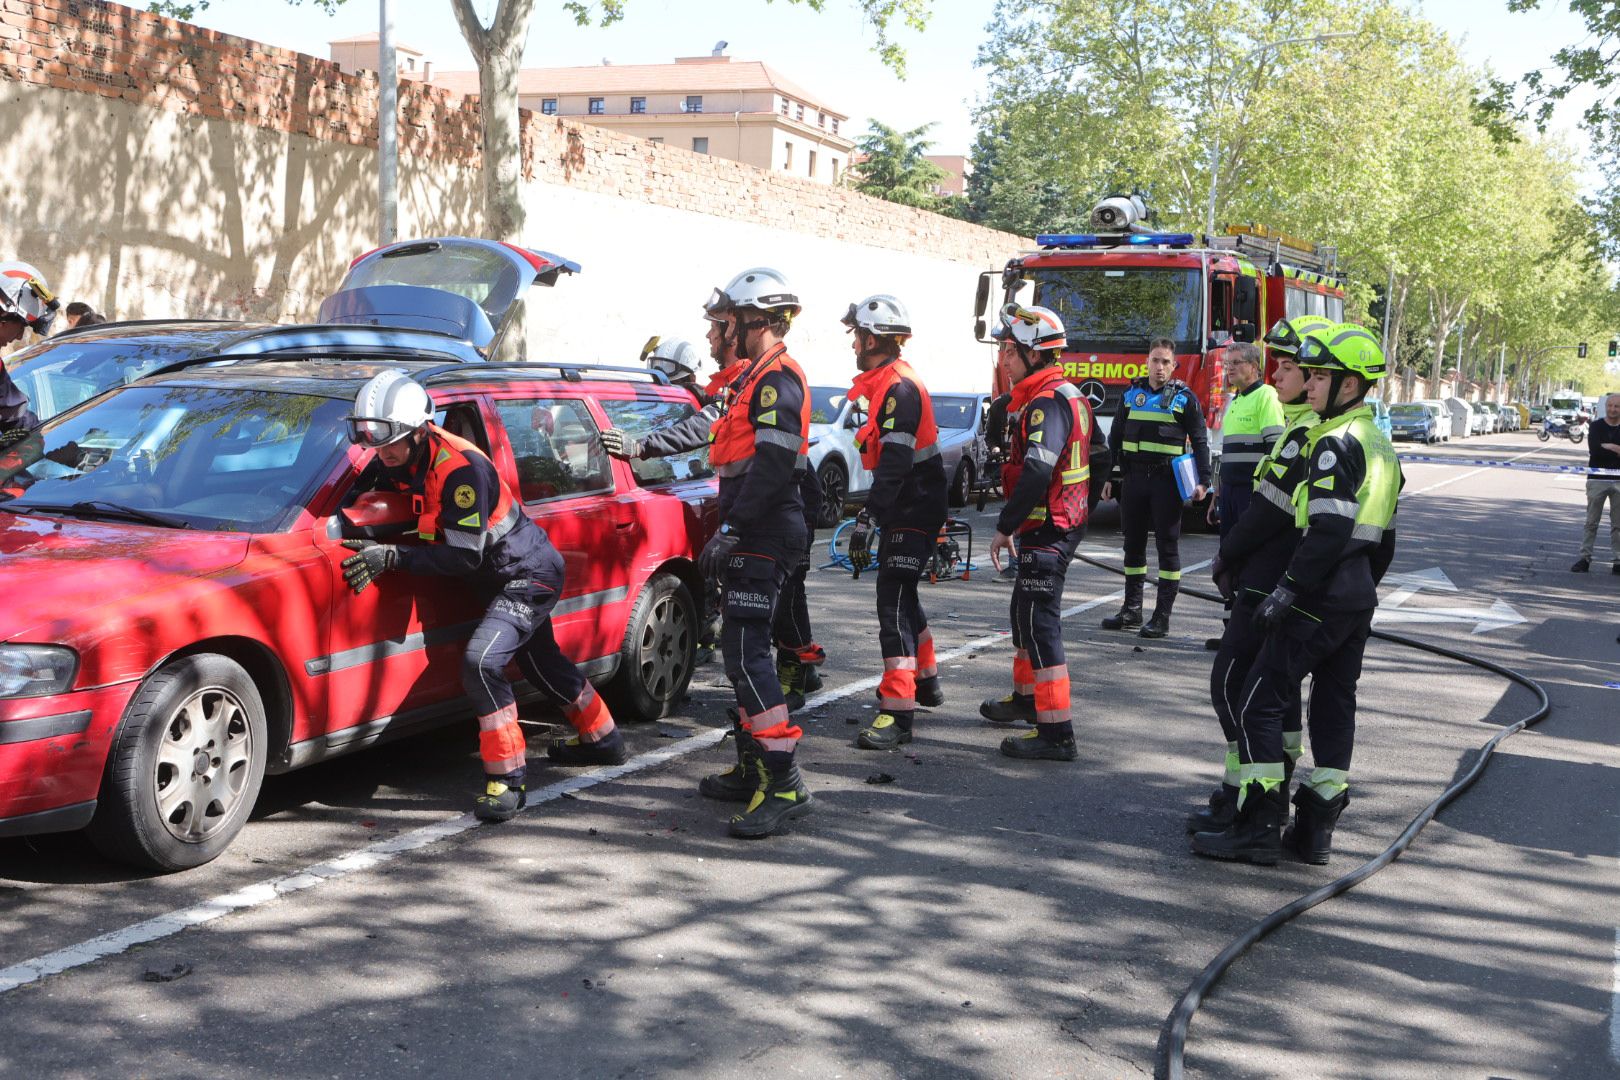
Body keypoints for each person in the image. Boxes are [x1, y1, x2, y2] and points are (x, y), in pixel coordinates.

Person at [339, 369, 625, 824]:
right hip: (504, 574)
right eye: (375, 442)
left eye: (391, 442)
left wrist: (393, 557)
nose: (383, 453)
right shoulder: (400, 456)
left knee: (482, 662)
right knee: (542, 662)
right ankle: (603, 738)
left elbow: (462, 559)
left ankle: (507, 781)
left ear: (420, 431)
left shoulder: (460, 470)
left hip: (525, 574)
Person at [1193, 323, 1403, 866]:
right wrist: (1361, 590)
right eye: (1305, 373)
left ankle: (1259, 825)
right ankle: (1314, 832)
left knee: (1257, 701)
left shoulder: (1333, 442)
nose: (1309, 385)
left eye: (1320, 377)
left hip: (1316, 593)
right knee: (1334, 708)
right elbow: (1385, 537)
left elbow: (1328, 529)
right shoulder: (1378, 441)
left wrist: (1288, 590)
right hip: (1354, 596)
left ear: (1351, 386)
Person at [1189, 316, 1328, 834]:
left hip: (1271, 577)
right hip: (1264, 572)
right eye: (1290, 369)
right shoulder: (1295, 422)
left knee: (1235, 689)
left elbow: (1273, 508)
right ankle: (1244, 799)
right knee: (1267, 696)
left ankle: (1258, 811)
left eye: (1294, 369)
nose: (1288, 378)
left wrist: (1230, 555)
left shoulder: (1307, 431)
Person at [692, 267, 816, 838]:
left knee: (746, 655)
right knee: (741, 652)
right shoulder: (759, 378)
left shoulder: (777, 381)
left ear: (756, 323)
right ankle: (752, 766)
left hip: (764, 533)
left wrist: (733, 528)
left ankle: (784, 782)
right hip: (757, 531)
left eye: (731, 322)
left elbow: (772, 466)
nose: (725, 332)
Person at [977, 303, 1093, 761]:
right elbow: (1095, 456)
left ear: (1032, 353)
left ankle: (1056, 731)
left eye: (1008, 350)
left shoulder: (1047, 402)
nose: (1003, 359)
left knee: (1040, 624)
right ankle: (1027, 700)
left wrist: (1005, 527)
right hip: (1053, 521)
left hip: (1048, 526)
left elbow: (1038, 470)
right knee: (1022, 613)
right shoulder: (1062, 394)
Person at [842, 294, 949, 750]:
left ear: (873, 338)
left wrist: (868, 517)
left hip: (913, 506)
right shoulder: (891, 382)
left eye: (857, 337)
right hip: (915, 506)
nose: (852, 345)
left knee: (894, 602)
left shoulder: (898, 388)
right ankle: (925, 681)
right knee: (904, 595)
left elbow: (895, 464)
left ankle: (899, 711)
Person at [1100, 338, 1211, 638]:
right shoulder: (1130, 395)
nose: (1159, 367)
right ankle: (1131, 610)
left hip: (1166, 482)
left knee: (1167, 547)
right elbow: (1115, 438)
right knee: (1132, 545)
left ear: (1174, 366)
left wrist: (1204, 481)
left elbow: (1200, 441)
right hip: (1134, 481)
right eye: (1154, 360)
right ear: (1146, 362)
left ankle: (1162, 616)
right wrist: (1109, 477)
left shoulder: (1184, 398)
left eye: (1165, 362)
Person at [1205, 340, 1284, 649]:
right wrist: (1216, 494)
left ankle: (1249, 633)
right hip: (1230, 492)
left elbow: (1274, 452)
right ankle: (1232, 631)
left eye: (1237, 362)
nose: (1230, 367)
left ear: (1254, 366)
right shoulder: (1234, 401)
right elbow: (1225, 455)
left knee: (1250, 561)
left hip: (1251, 496)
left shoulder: (1266, 397)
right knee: (1231, 559)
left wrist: (1262, 498)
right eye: (1228, 363)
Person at [1571, 392, 1620, 574]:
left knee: (1618, 524)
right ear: (1605, 407)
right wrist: (1617, 449)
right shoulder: (1597, 427)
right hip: (1597, 480)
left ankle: (1618, 561)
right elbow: (1595, 451)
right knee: (1591, 522)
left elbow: (1601, 450)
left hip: (1619, 482)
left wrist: (1608, 446)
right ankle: (1585, 558)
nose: (1613, 409)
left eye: (1617, 406)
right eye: (1610, 405)